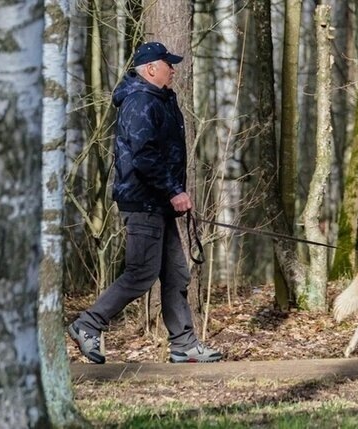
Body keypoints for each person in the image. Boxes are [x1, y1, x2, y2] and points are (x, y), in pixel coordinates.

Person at [68, 42, 222, 364]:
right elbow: (143, 156)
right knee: (141, 274)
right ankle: (88, 324)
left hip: (158, 203)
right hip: (144, 203)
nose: (173, 70)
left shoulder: (157, 99)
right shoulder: (140, 101)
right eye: (168, 64)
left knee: (176, 274)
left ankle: (184, 345)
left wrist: (172, 194)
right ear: (151, 68)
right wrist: (174, 191)